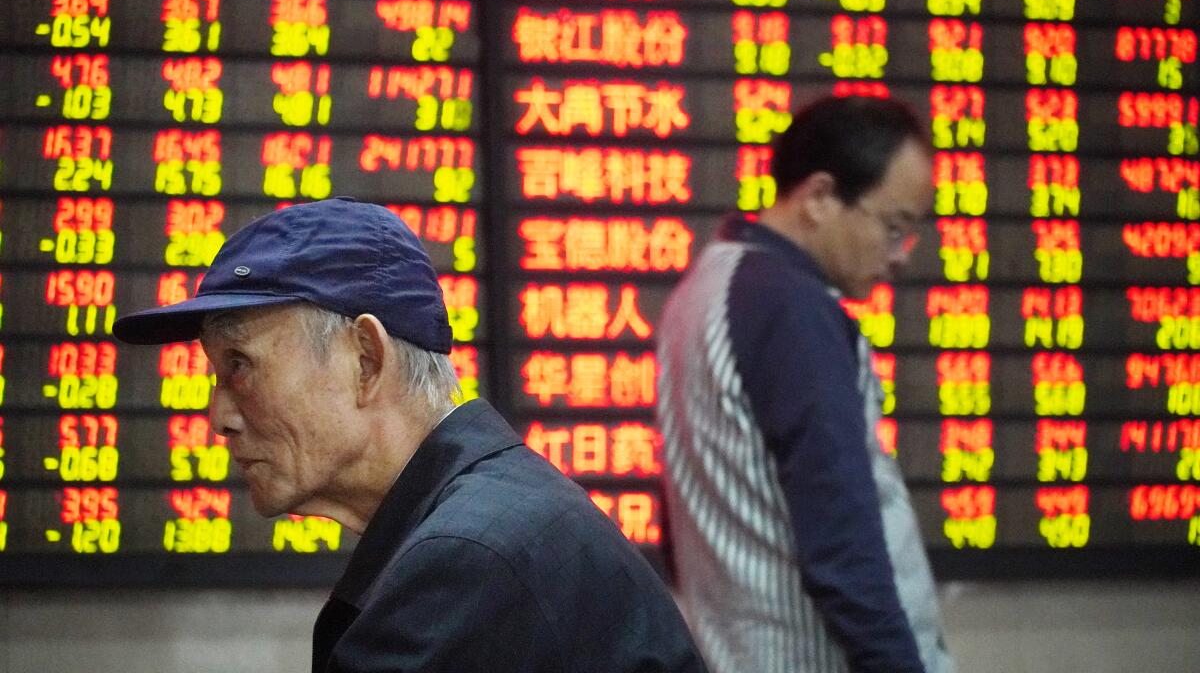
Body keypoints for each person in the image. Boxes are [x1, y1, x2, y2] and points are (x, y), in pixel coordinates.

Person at [114, 197, 707, 673]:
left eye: (238, 364)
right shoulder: (485, 514)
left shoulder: (466, 561)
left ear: (366, 359)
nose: (219, 416)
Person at [656, 96, 954, 673]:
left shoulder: (707, 285)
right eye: (894, 228)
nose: (900, 257)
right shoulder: (791, 309)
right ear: (819, 197)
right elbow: (842, 538)